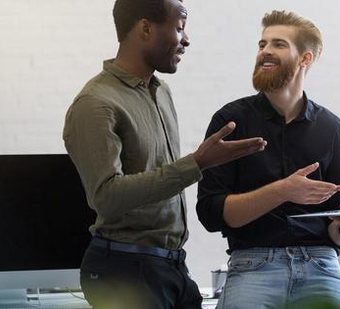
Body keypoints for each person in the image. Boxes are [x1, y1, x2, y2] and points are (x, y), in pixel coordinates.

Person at [63, 1, 266, 308]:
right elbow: (106, 196)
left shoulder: (161, 91)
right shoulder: (95, 103)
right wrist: (197, 163)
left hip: (170, 267)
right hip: (124, 270)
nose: (186, 39)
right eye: (180, 27)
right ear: (145, 28)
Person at [196, 10, 340, 308]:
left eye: (278, 44)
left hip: (320, 264)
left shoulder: (334, 130)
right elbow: (210, 214)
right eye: (262, 44)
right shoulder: (231, 120)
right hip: (254, 266)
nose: (266, 51)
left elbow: (336, 227)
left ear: (305, 59)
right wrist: (283, 190)